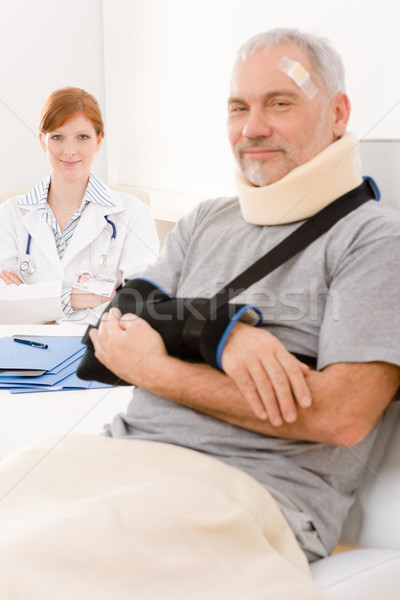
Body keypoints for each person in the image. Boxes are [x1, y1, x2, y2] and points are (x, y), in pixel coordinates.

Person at [0, 29, 400, 599]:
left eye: (280, 103)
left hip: (240, 492)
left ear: (338, 113)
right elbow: (105, 340)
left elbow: (342, 417)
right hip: (112, 460)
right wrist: (218, 336)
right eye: (239, 107)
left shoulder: (373, 240)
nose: (252, 127)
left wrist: (159, 367)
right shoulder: (205, 221)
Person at [0, 87, 159, 324]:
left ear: (99, 141)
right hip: (25, 349)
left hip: (98, 349)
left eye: (82, 137)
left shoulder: (133, 213)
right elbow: (3, 306)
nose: (69, 150)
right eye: (57, 137)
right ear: (42, 141)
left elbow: (143, 303)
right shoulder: (9, 214)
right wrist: (72, 299)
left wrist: (38, 307)